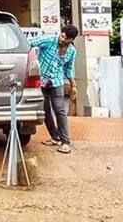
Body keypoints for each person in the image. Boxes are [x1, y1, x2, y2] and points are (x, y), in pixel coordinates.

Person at [29, 24, 78, 154]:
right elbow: (29, 43)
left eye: (66, 38)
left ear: (71, 40)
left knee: (60, 110)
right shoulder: (49, 40)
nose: (62, 39)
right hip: (41, 81)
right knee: (45, 111)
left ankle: (65, 142)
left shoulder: (72, 51)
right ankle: (55, 137)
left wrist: (73, 85)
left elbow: (68, 68)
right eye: (62, 36)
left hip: (56, 82)